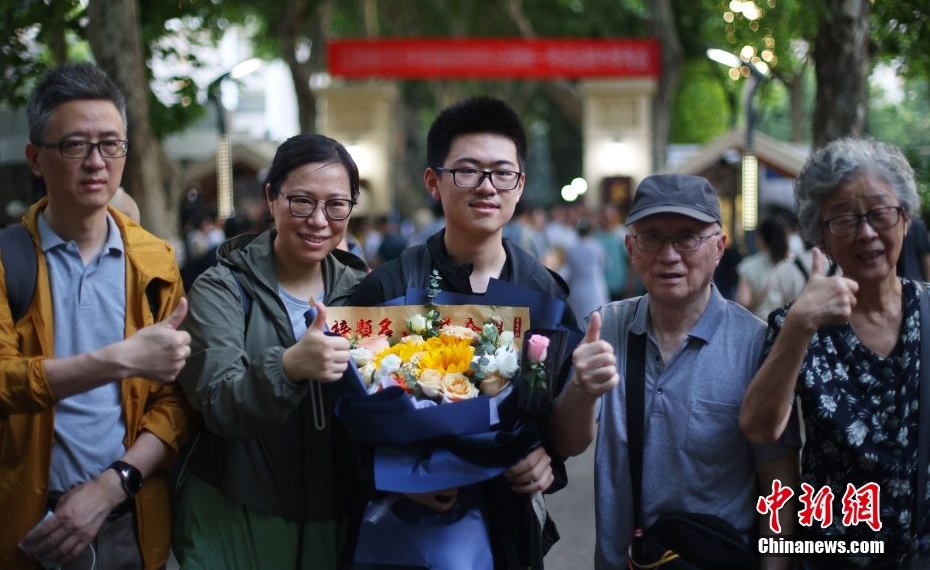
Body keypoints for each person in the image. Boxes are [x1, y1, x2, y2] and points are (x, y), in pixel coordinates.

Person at [349, 96, 573, 569]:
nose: (486, 187)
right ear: (434, 181)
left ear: (520, 183)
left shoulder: (543, 292)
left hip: (508, 518)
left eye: (502, 173)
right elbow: (344, 417)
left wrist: (545, 458)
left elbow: (551, 412)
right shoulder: (389, 286)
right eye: (467, 171)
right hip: (407, 524)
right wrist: (404, 472)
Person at [551, 173, 799, 570]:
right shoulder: (606, 328)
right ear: (631, 248)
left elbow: (779, 482)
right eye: (652, 237)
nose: (668, 255)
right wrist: (582, 388)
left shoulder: (754, 344)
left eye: (687, 237)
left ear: (719, 248)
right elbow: (568, 442)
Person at [3, 63, 194, 570]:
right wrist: (118, 359)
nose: (96, 162)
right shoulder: (7, 261)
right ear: (35, 159)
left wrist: (115, 483)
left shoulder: (154, 260)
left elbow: (174, 402)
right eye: (74, 145)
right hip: (27, 523)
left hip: (129, 519)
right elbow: (4, 381)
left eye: (111, 144)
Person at [172, 135, 368, 569]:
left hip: (335, 526)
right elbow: (220, 403)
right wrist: (289, 366)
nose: (319, 220)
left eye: (337, 205)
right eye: (301, 202)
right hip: (232, 523)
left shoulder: (364, 294)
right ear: (271, 199)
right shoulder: (222, 289)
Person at [741, 138, 929, 567]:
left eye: (880, 213)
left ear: (903, 219)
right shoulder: (797, 323)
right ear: (821, 235)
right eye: (844, 219)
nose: (866, 233)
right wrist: (800, 326)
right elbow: (759, 428)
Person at [736, 216, 789, 319]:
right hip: (789, 327)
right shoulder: (793, 265)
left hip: (762, 325)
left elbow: (743, 301)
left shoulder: (748, 265)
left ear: (761, 239)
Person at [564, 216, 610, 318]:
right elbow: (604, 264)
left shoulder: (571, 248)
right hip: (594, 287)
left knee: (579, 321)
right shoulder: (597, 246)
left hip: (577, 288)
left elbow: (568, 268)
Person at [898, 215, 930, 282]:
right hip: (899, 283)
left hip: (915, 284)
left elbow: (926, 258)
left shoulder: (917, 226)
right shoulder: (918, 225)